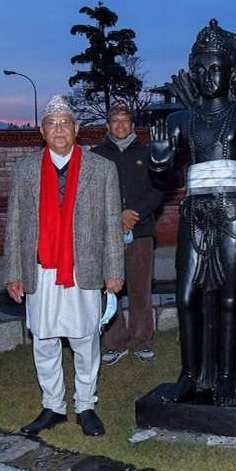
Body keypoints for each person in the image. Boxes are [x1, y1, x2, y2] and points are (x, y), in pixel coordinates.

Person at [148, 19, 236, 405]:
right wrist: (159, 164)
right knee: (186, 295)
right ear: (193, 73)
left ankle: (227, 374)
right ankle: (190, 372)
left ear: (230, 73)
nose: (208, 77)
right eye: (201, 70)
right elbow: (163, 183)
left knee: (229, 296)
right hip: (195, 212)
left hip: (233, 211)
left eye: (216, 69)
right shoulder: (181, 120)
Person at [4, 95, 123, 437]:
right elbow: (14, 224)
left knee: (85, 338)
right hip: (40, 269)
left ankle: (86, 404)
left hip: (83, 267)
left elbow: (112, 221)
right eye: (52, 124)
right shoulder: (26, 169)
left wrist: (114, 269)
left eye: (65, 123)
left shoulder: (101, 168)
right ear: (42, 131)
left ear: (77, 128)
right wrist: (13, 272)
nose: (59, 129)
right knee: (43, 340)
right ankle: (53, 405)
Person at [93, 103, 164, 365]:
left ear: (133, 125)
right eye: (115, 121)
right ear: (107, 126)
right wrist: (117, 216)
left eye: (125, 121)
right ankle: (115, 343)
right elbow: (91, 194)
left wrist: (135, 213)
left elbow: (158, 189)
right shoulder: (97, 156)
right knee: (109, 290)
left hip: (141, 230)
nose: (120, 125)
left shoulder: (148, 154)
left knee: (140, 289)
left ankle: (142, 341)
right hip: (107, 233)